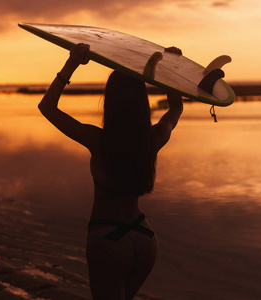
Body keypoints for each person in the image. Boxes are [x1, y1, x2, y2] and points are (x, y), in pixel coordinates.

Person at [38, 43, 183, 300]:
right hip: (146, 236)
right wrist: (171, 68)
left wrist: (72, 63)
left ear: (110, 100)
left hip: (108, 237)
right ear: (142, 102)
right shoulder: (155, 137)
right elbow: (175, 109)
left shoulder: (97, 140)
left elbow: (47, 107)